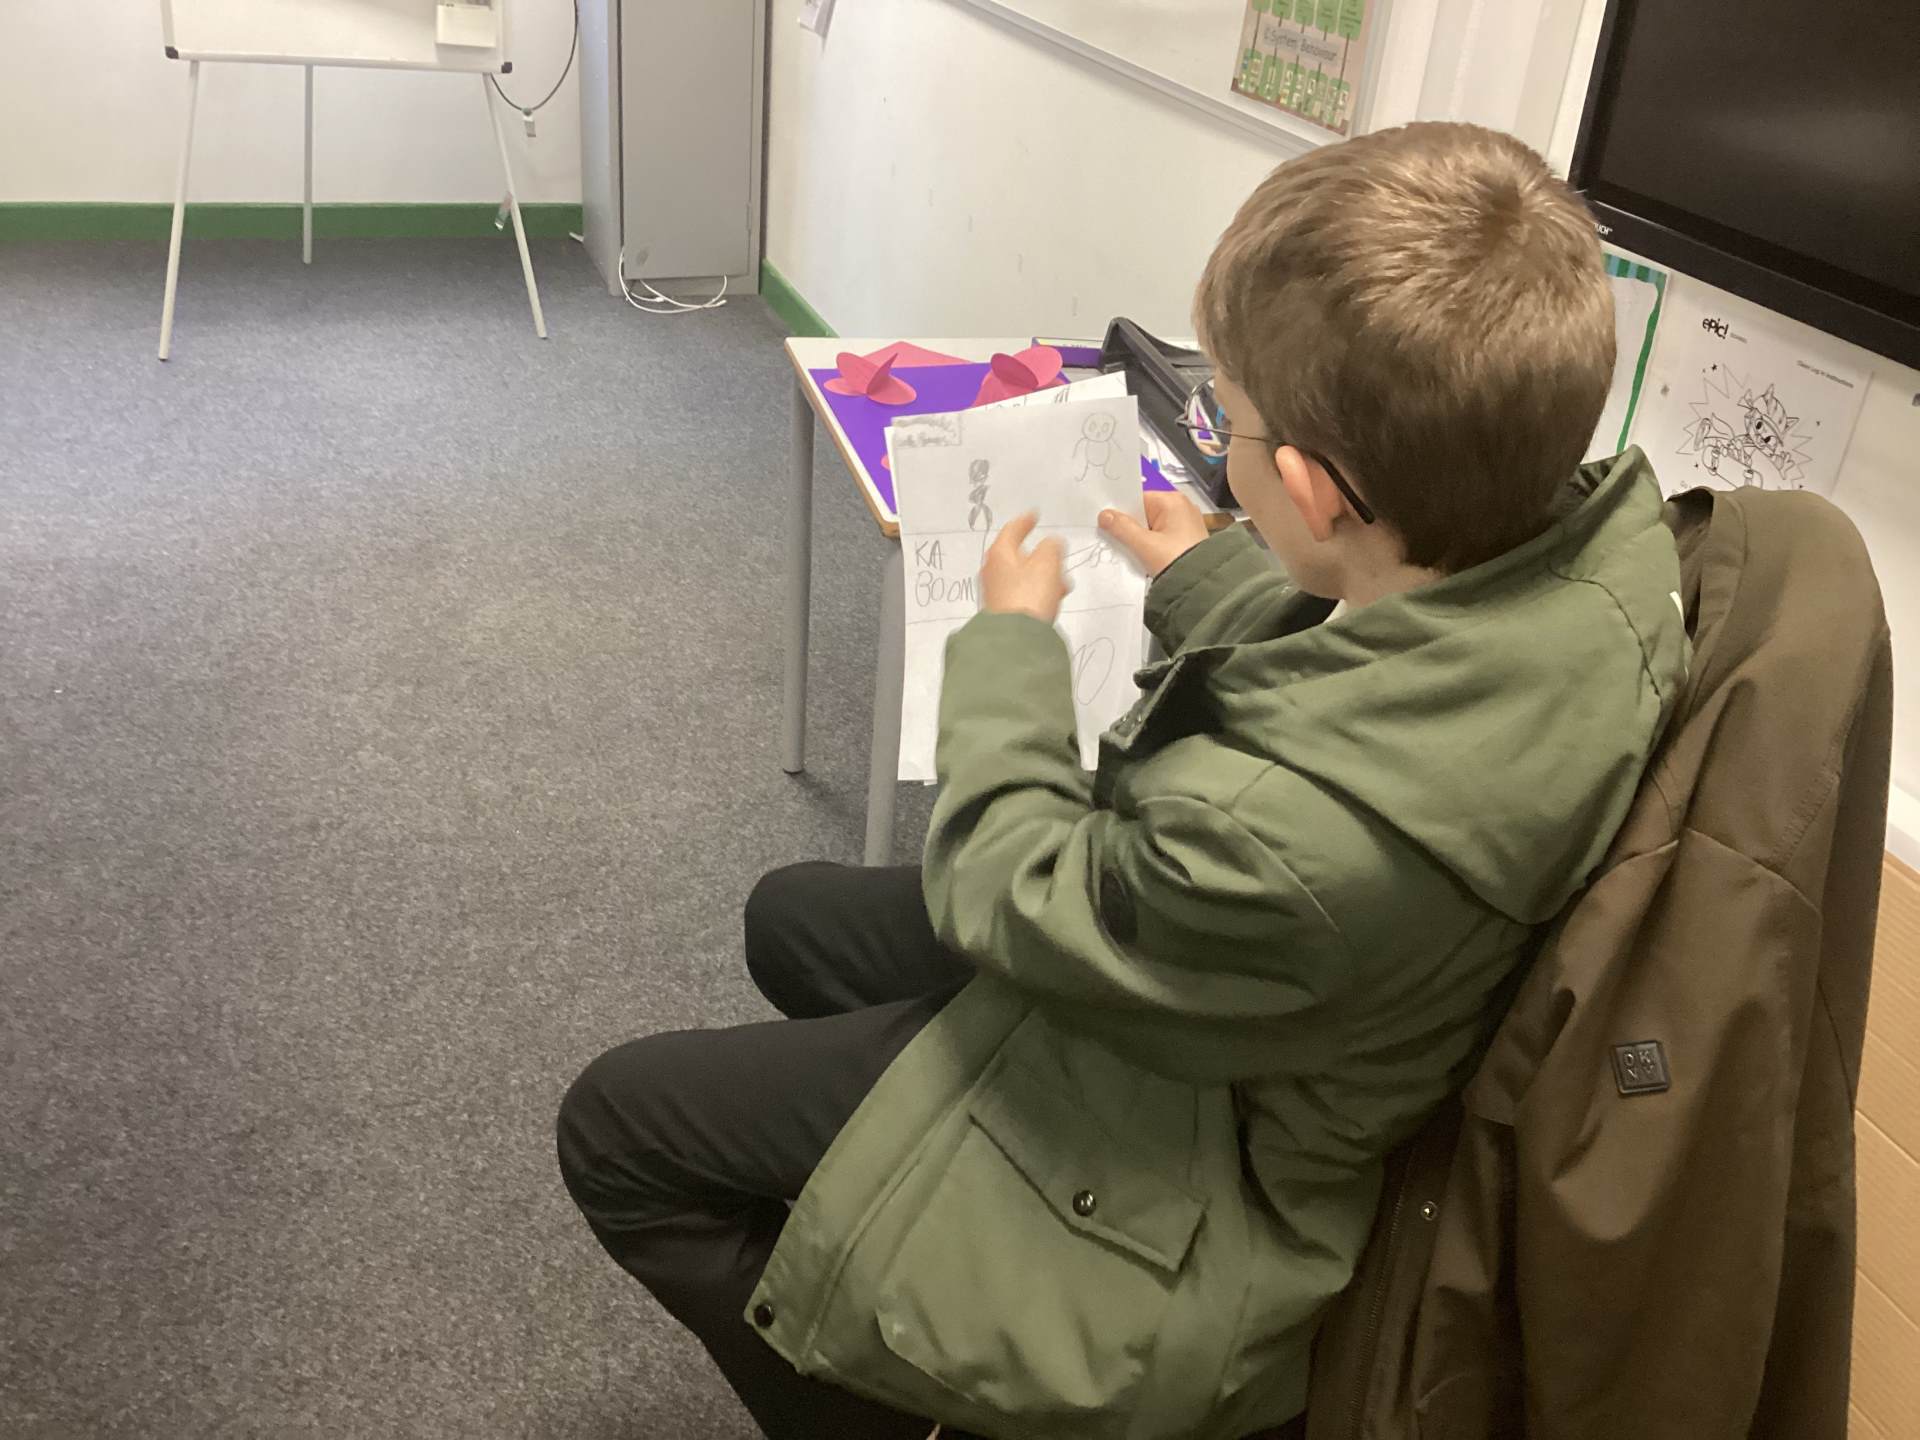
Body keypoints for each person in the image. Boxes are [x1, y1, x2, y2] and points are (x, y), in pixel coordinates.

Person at [556, 121, 1689, 1440]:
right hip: (1230, 994)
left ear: (1311, 491)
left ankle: (899, 1392)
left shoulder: (1280, 842)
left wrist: (1011, 649)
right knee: (790, 916)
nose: (1222, 439)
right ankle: (896, 1159)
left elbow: (1004, 879)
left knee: (616, 1131)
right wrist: (1210, 573)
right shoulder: (1582, 565)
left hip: (1197, 1157)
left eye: (1228, 422)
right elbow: (1377, 666)